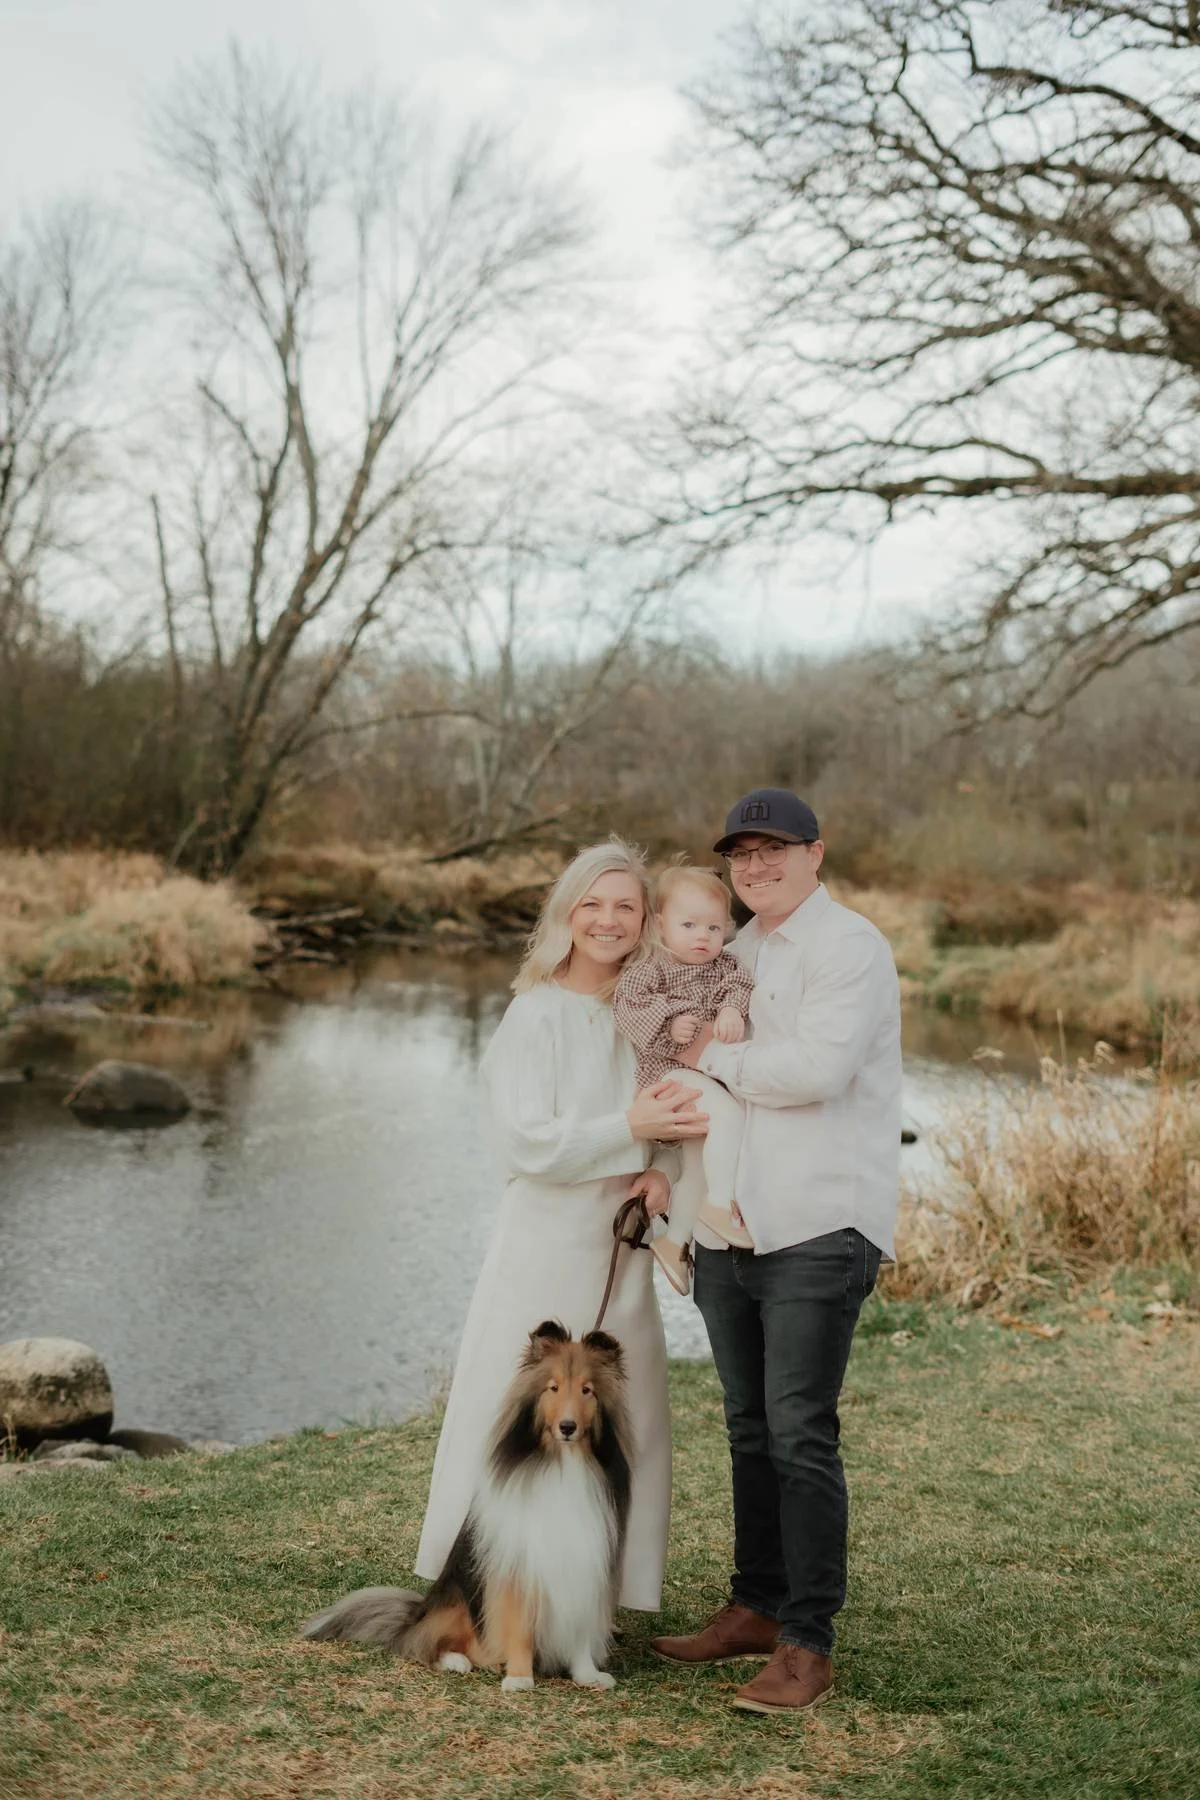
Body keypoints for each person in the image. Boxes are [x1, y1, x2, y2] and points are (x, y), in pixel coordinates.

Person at [652, 788, 902, 1716]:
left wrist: (709, 1056)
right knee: (749, 1424)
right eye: (741, 856)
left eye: (774, 852)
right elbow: (675, 1068)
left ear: (816, 855)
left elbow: (813, 1074)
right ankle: (756, 1605)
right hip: (730, 1223)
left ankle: (808, 1642)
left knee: (800, 1429)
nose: (754, 870)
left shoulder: (851, 949)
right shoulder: (734, 949)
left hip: (818, 1223)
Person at [414, 838, 707, 1612]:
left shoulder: (655, 1018)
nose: (608, 921)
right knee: (513, 1401)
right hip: (544, 1238)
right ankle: (481, 1589)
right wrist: (628, 1125)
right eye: (593, 904)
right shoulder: (534, 1015)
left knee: (624, 1410)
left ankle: (601, 1593)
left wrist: (660, 1169)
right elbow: (525, 1143)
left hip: (623, 1242)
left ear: (646, 920)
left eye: (626, 906)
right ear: (566, 914)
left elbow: (675, 1124)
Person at [613, 865, 756, 1296]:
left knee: (696, 1163)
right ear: (661, 924)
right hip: (667, 1073)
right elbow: (628, 1008)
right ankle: (720, 1207)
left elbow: (740, 986)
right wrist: (670, 1020)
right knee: (729, 1119)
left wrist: (732, 1010)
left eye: (714, 927)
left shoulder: (725, 965)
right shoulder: (650, 969)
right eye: (689, 925)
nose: (702, 937)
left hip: (703, 1075)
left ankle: (674, 1243)